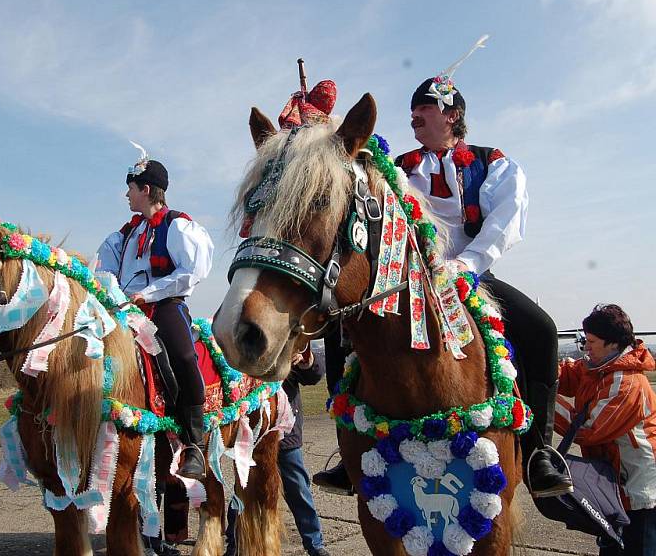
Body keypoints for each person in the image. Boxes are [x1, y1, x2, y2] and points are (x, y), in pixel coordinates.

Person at [313, 76, 572, 498]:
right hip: (407, 280)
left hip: (472, 275)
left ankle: (539, 450)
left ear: (452, 115)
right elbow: (351, 179)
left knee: (540, 330)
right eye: (413, 110)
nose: (414, 115)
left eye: (425, 108)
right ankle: (351, 450)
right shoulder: (395, 167)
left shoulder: (492, 163)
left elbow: (504, 223)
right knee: (343, 329)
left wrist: (465, 266)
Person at [97, 155, 214, 480]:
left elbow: (192, 271)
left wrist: (147, 294)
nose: (127, 196)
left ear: (146, 189)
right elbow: (103, 271)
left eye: (131, 189)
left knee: (184, 354)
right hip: (123, 310)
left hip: (163, 306)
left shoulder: (176, 225)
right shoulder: (122, 236)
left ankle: (194, 444)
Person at [555, 304, 656, 555]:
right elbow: (567, 375)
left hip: (638, 490)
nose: (586, 348)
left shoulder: (627, 382)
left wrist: (540, 402)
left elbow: (587, 429)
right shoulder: (597, 367)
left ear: (613, 344)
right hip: (614, 484)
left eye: (591, 342)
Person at [225, 346, 330, 556]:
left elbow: (314, 375)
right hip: (251, 432)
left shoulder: (288, 339)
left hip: (285, 433)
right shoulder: (244, 340)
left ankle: (314, 543)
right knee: (243, 488)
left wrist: (304, 359)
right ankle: (235, 542)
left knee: (298, 488)